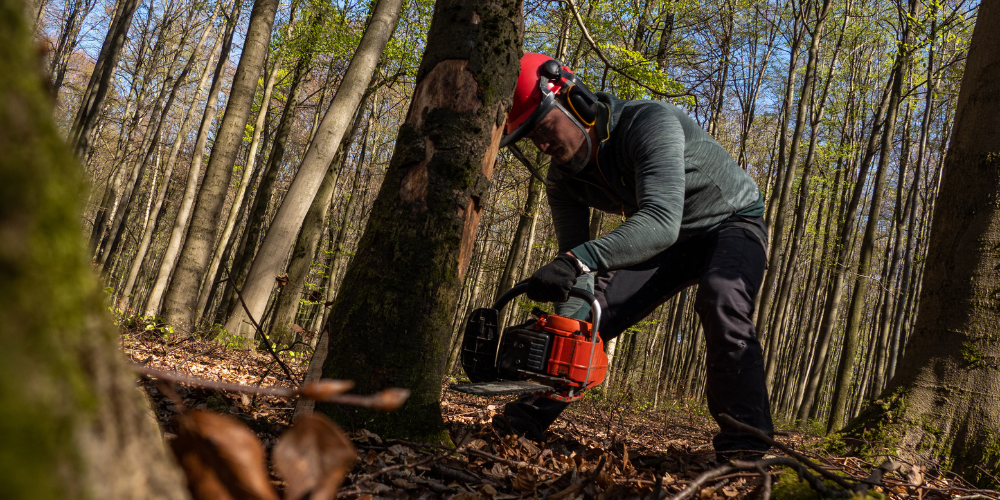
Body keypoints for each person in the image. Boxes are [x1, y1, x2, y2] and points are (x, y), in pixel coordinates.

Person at [493, 53, 774, 459]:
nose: (542, 144)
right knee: (590, 312)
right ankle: (525, 418)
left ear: (576, 102)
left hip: (730, 222)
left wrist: (575, 262)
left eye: (544, 126)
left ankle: (744, 449)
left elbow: (659, 220)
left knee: (722, 299)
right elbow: (580, 267)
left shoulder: (648, 123)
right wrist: (570, 290)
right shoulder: (562, 180)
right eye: (530, 138)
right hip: (668, 241)